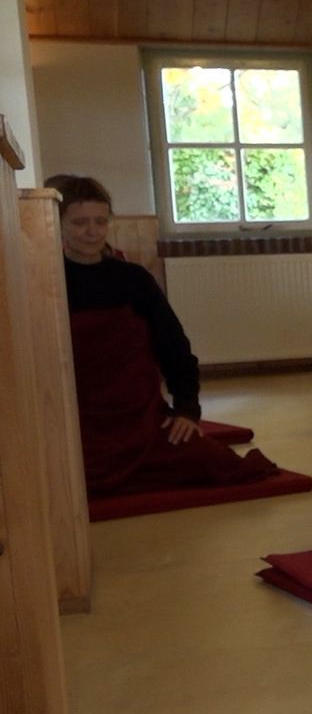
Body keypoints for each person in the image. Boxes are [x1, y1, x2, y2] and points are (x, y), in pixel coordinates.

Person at [53, 174, 280, 496]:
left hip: (140, 420)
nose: (92, 231)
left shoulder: (133, 279)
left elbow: (173, 345)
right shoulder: (48, 280)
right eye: (79, 223)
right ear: (58, 224)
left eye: (100, 221)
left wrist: (187, 410)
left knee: (212, 461)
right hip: (79, 422)